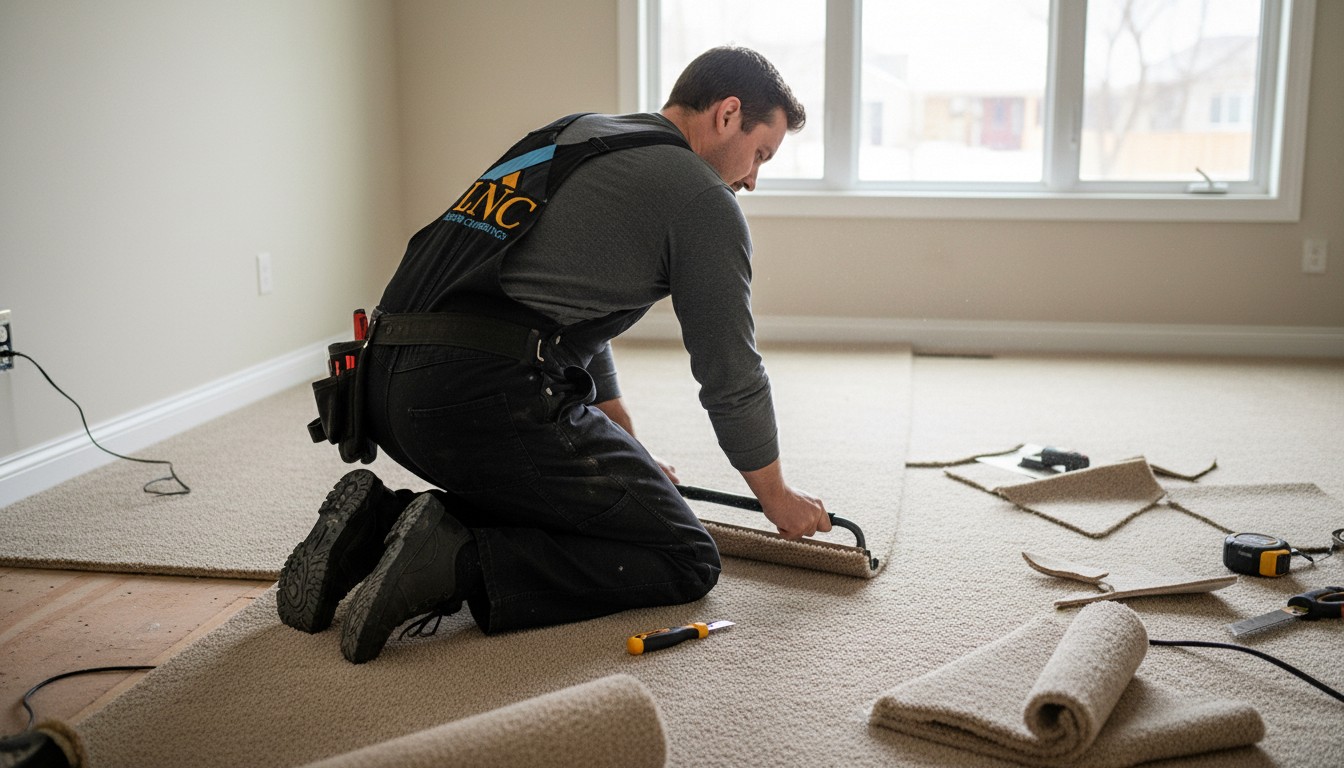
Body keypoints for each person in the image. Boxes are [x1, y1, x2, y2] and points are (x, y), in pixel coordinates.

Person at [277, 46, 830, 664]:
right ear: (728, 114)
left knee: (585, 498)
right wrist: (775, 494)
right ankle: (457, 563)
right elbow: (730, 369)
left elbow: (565, 309)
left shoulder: (577, 134)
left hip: (381, 387)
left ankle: (373, 527)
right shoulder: (701, 198)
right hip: (473, 399)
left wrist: (620, 439)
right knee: (684, 556)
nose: (753, 179)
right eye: (761, 154)